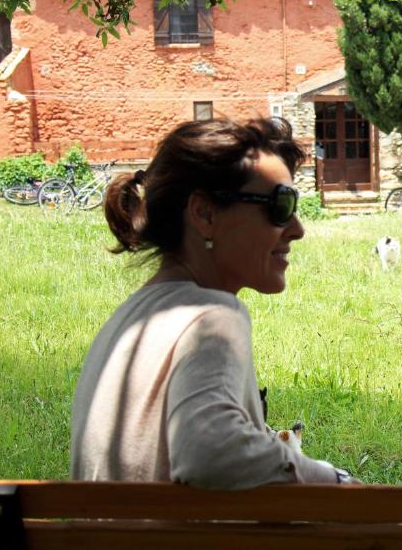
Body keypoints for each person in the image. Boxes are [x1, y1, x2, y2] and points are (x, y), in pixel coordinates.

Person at [71, 117, 356, 488]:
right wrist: (330, 479)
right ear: (205, 214)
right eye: (280, 205)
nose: (298, 228)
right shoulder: (212, 316)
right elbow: (211, 452)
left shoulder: (128, 319)